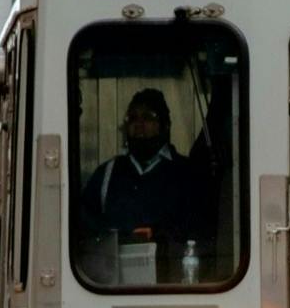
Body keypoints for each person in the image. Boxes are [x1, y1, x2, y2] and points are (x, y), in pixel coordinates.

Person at [77, 89, 205, 283]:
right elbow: (85, 226)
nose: (138, 124)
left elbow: (199, 229)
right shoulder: (107, 173)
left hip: (175, 285)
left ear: (165, 125)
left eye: (148, 117)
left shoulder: (187, 173)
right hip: (111, 287)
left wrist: (158, 234)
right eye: (132, 118)